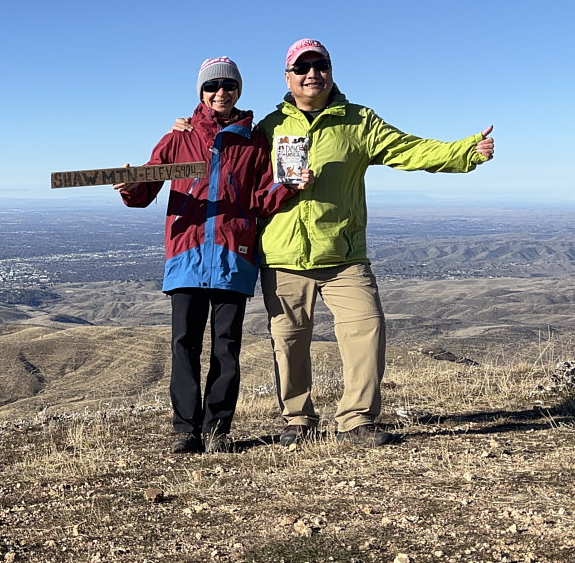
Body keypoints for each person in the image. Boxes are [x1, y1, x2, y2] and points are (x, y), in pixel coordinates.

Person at [175, 39, 494, 448]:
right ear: (288, 77)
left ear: (330, 70)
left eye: (320, 65)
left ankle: (357, 419)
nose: (312, 74)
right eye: (302, 68)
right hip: (284, 254)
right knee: (289, 341)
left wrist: (465, 151)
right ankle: (297, 420)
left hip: (343, 254)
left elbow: (410, 149)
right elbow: (230, 159)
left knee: (366, 328)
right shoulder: (269, 127)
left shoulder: (359, 121)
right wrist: (191, 127)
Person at [114, 56, 313, 454]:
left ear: (238, 90)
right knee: (184, 345)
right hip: (186, 254)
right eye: (212, 86)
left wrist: (290, 186)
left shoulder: (254, 141)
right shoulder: (178, 138)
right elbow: (146, 191)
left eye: (228, 85)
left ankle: (218, 430)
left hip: (233, 254)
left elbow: (260, 199)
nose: (220, 92)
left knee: (227, 347)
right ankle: (185, 430)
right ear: (201, 92)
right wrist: (130, 185)